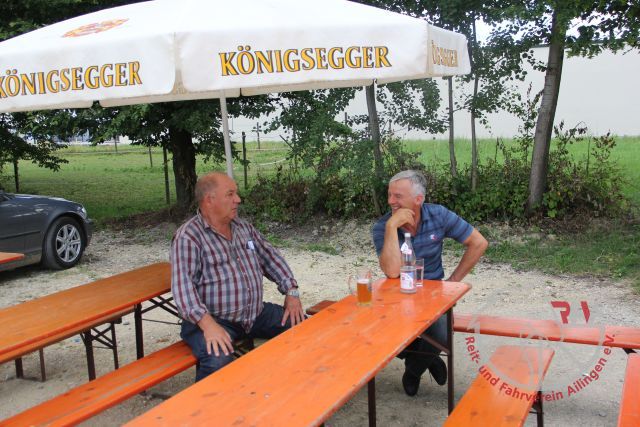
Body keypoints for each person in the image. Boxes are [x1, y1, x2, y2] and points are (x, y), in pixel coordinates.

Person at [171, 172, 305, 381]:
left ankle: (292, 387)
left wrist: (292, 291)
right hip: (213, 320)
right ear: (209, 200)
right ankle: (206, 402)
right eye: (230, 194)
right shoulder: (188, 237)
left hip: (254, 315)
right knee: (218, 360)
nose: (238, 199)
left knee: (304, 325)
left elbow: (271, 258)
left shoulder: (243, 228)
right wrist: (209, 326)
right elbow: (183, 289)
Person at [372, 170, 488, 396]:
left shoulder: (438, 215)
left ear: (418, 199)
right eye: (389, 195)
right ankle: (429, 358)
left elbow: (479, 243)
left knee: (441, 335)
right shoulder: (383, 226)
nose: (390, 201)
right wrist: (391, 227)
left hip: (434, 296)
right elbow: (392, 271)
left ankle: (413, 370)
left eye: (397, 196)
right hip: (397, 296)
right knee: (378, 334)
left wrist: (452, 283)